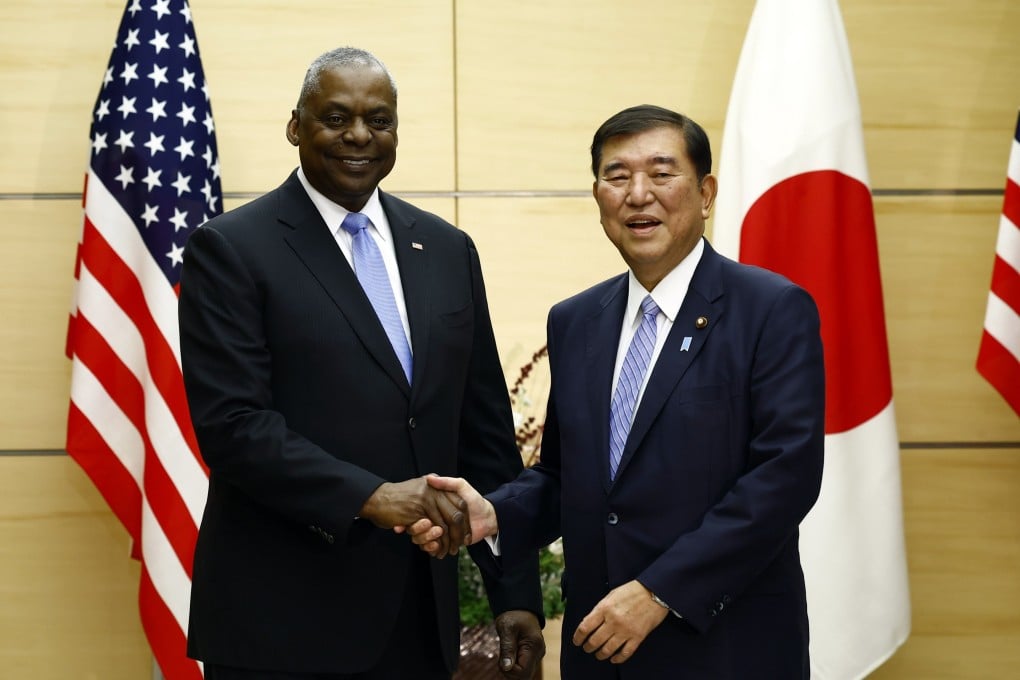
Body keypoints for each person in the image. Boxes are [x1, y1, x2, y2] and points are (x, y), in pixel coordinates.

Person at [411, 105, 826, 679]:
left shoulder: (772, 310)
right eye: (617, 176)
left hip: (725, 649)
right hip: (601, 654)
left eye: (661, 174)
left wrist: (659, 591)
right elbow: (564, 475)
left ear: (705, 193)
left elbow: (784, 479)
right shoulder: (577, 320)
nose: (638, 194)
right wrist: (492, 513)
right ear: (598, 195)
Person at [178, 47, 544, 679]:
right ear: (296, 126)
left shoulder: (448, 249)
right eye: (336, 117)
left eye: (378, 120)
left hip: (417, 619)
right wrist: (372, 497)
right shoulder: (233, 248)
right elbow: (235, 426)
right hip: (281, 619)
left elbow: (483, 432)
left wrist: (515, 594)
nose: (358, 136)